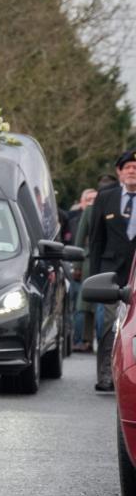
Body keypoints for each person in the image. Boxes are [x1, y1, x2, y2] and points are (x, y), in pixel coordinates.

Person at [88, 151, 136, 391]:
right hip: (110, 274)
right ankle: (105, 376)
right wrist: (94, 279)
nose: (132, 170)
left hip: (135, 275)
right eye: (127, 166)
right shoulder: (106, 197)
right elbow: (96, 240)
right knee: (108, 325)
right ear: (119, 171)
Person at [70, 188, 97, 351]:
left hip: (106, 262)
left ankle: (90, 340)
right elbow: (79, 239)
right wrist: (77, 266)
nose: (93, 201)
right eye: (90, 199)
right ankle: (81, 339)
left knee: (97, 307)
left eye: (96, 198)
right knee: (83, 305)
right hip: (87, 261)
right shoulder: (88, 212)